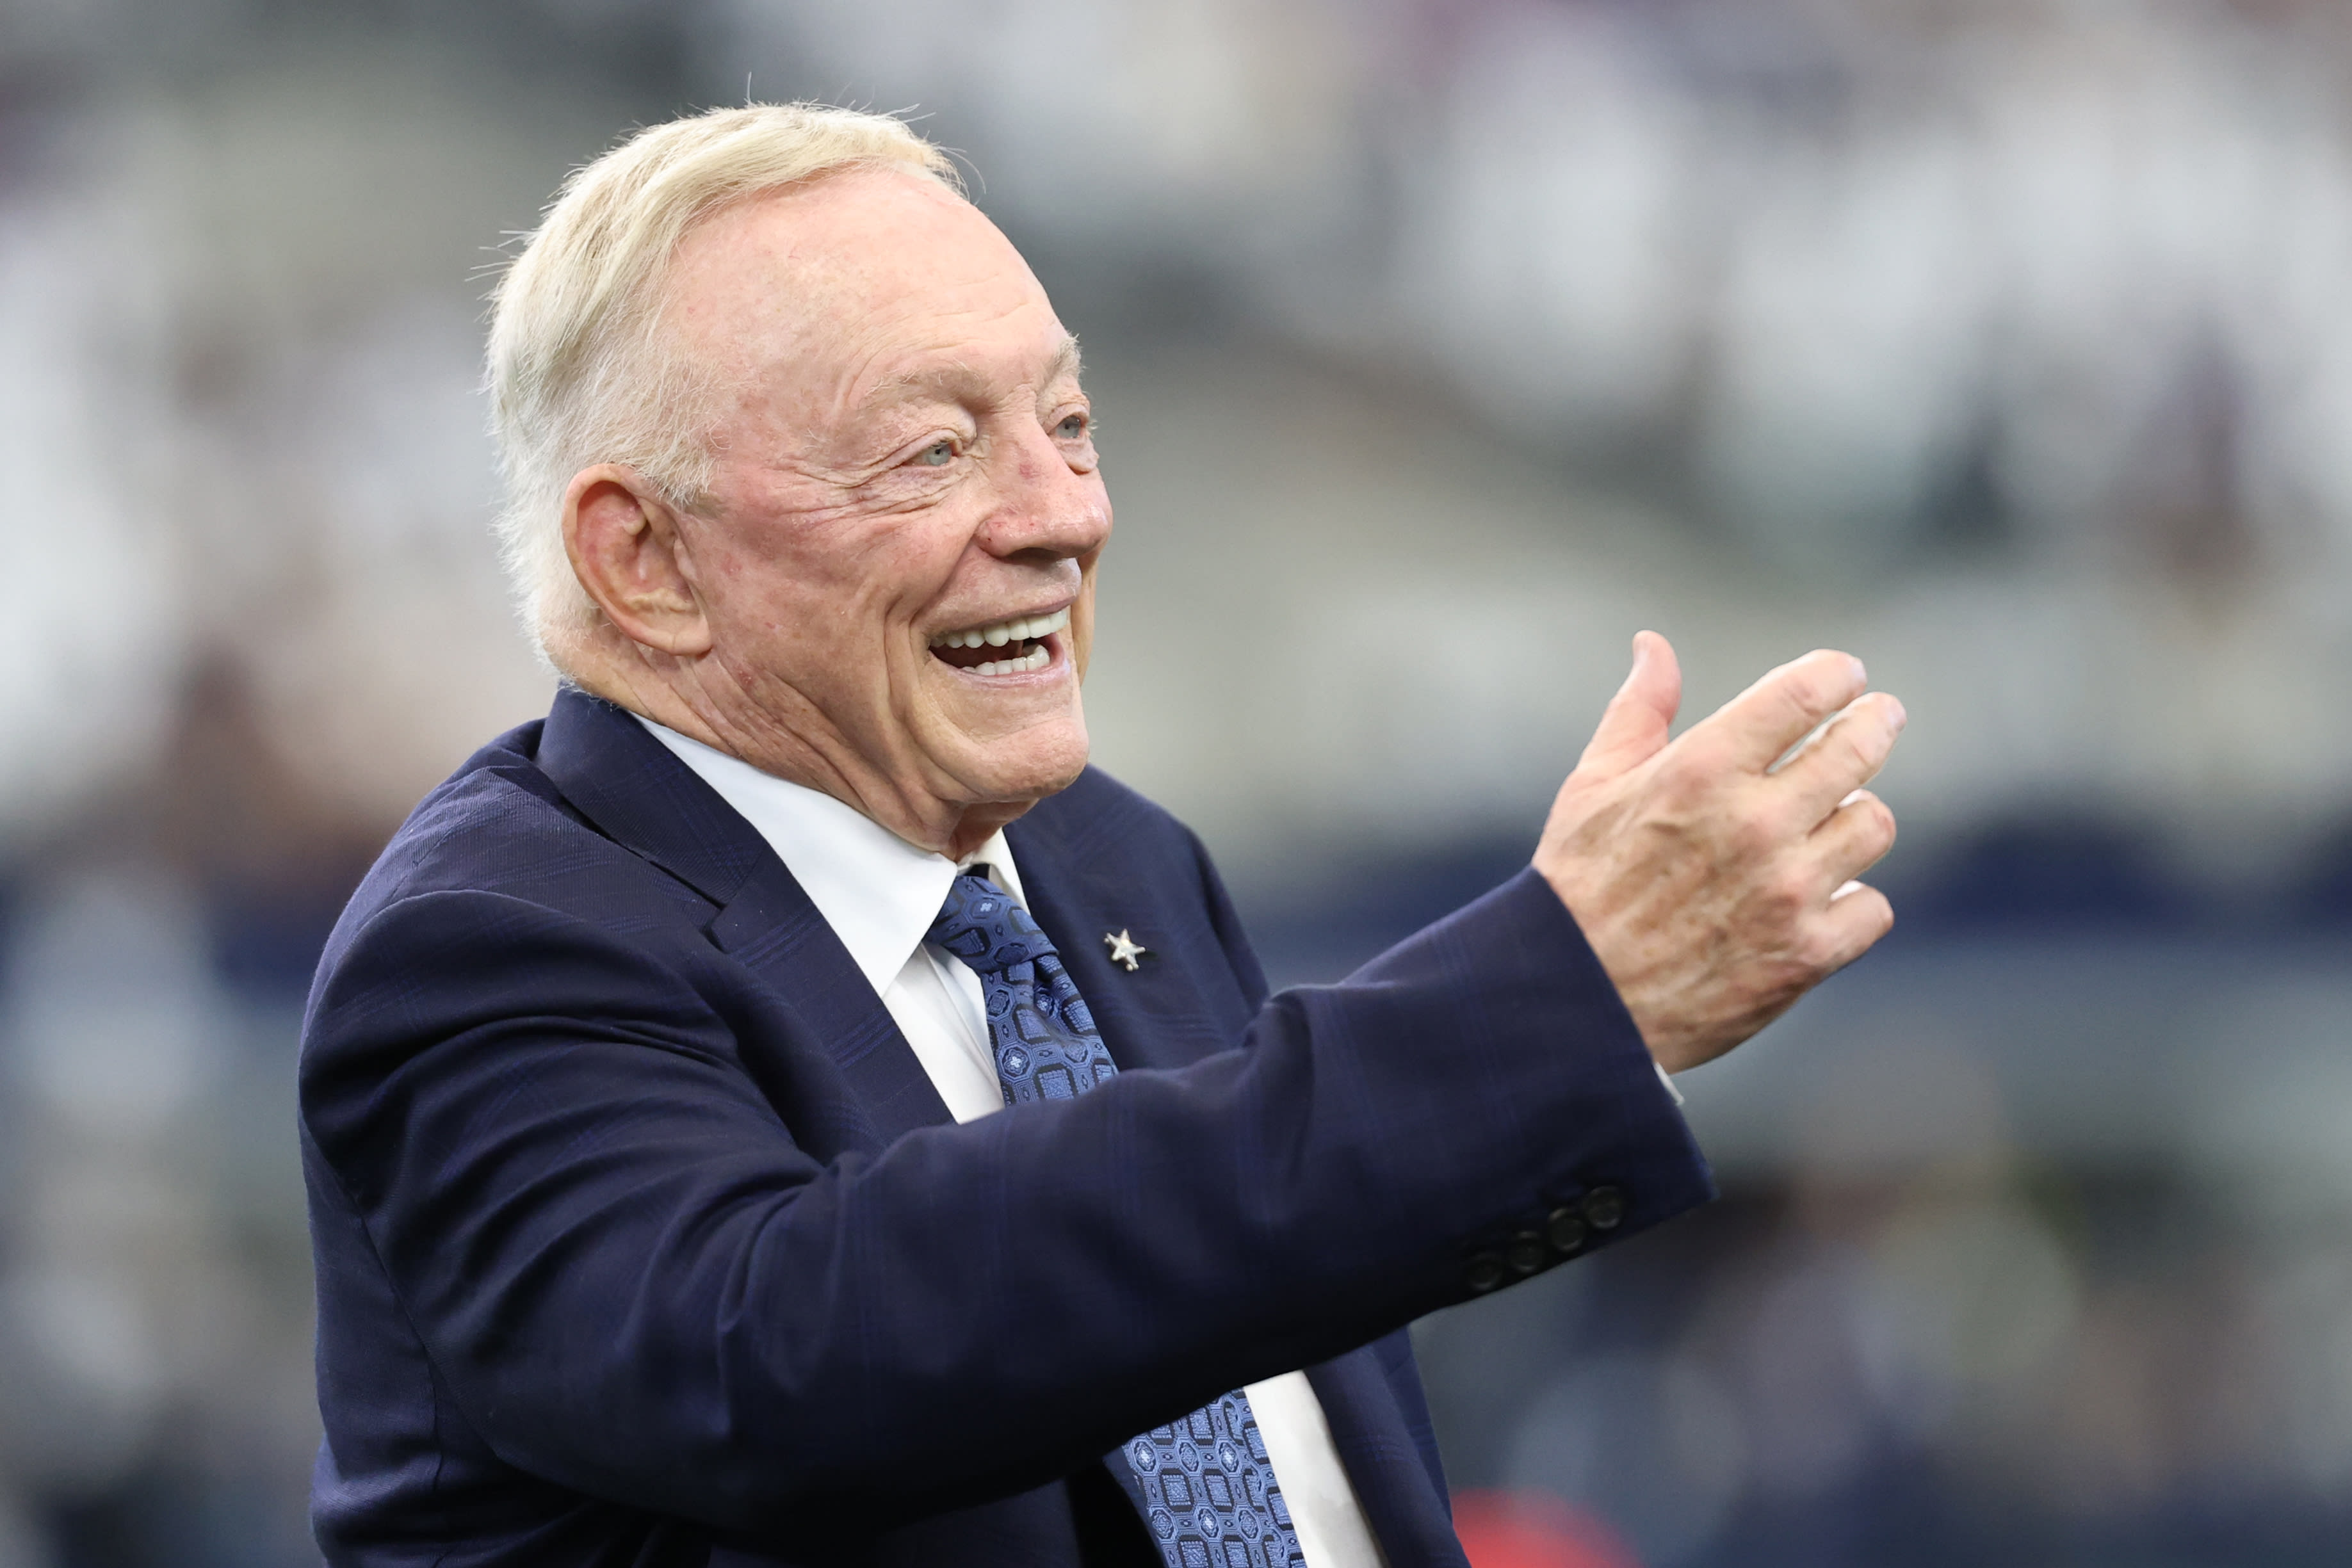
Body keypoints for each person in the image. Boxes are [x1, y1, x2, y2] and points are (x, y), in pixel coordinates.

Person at [298, 104, 1904, 1568]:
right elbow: (798, 1361)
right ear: (642, 558)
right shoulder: (489, 947)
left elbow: (1243, 1284)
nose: (1065, 514)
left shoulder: (1112, 861)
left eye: (1066, 425)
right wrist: (1546, 1014)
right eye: (933, 449)